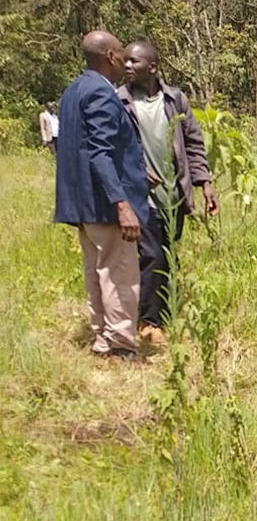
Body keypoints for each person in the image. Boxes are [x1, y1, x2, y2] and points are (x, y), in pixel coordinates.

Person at [54, 32, 148, 361]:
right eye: (121, 52)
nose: (124, 58)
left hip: (83, 204)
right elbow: (100, 153)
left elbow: (81, 148)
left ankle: (104, 339)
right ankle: (121, 345)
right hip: (105, 205)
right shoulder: (101, 93)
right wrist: (122, 204)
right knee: (119, 273)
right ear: (110, 56)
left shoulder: (73, 91)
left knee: (97, 271)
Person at [117, 41, 218, 348]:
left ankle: (165, 311)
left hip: (174, 195)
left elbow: (193, 144)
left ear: (152, 67)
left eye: (134, 61)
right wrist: (135, 169)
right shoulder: (119, 100)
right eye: (125, 61)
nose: (127, 65)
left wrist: (204, 183)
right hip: (140, 197)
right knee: (151, 255)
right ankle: (148, 322)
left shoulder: (176, 100)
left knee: (169, 254)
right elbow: (111, 147)